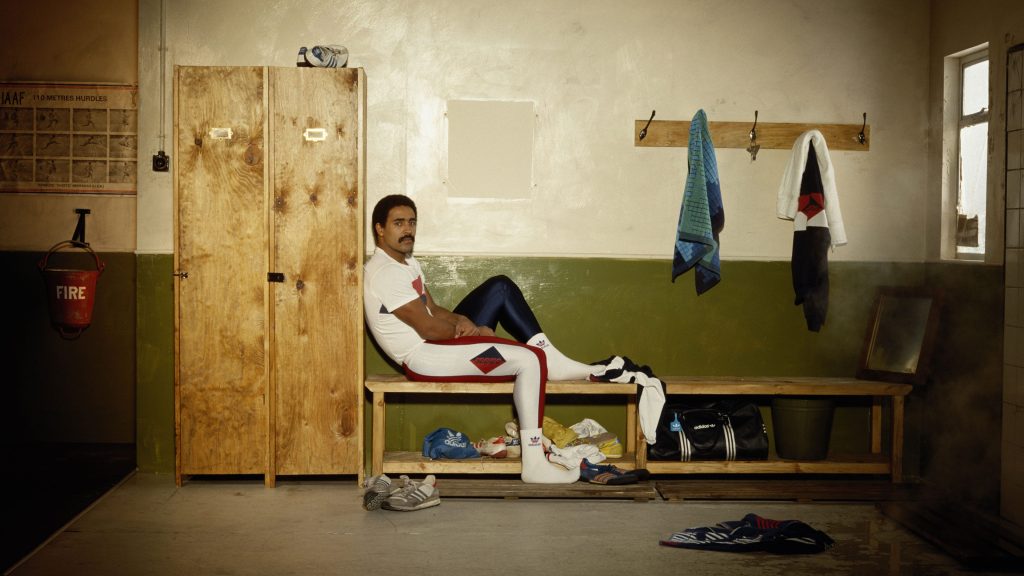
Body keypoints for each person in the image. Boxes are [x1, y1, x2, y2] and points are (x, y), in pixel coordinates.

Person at [363, 194, 594, 483]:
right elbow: (430, 329)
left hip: (437, 348)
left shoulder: (406, 264)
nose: (407, 229)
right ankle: (534, 464)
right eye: (398, 223)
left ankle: (549, 378)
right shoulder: (385, 273)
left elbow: (432, 309)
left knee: (508, 307)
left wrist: (463, 321)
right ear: (380, 229)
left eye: (411, 222)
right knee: (532, 360)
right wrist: (474, 333)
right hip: (425, 357)